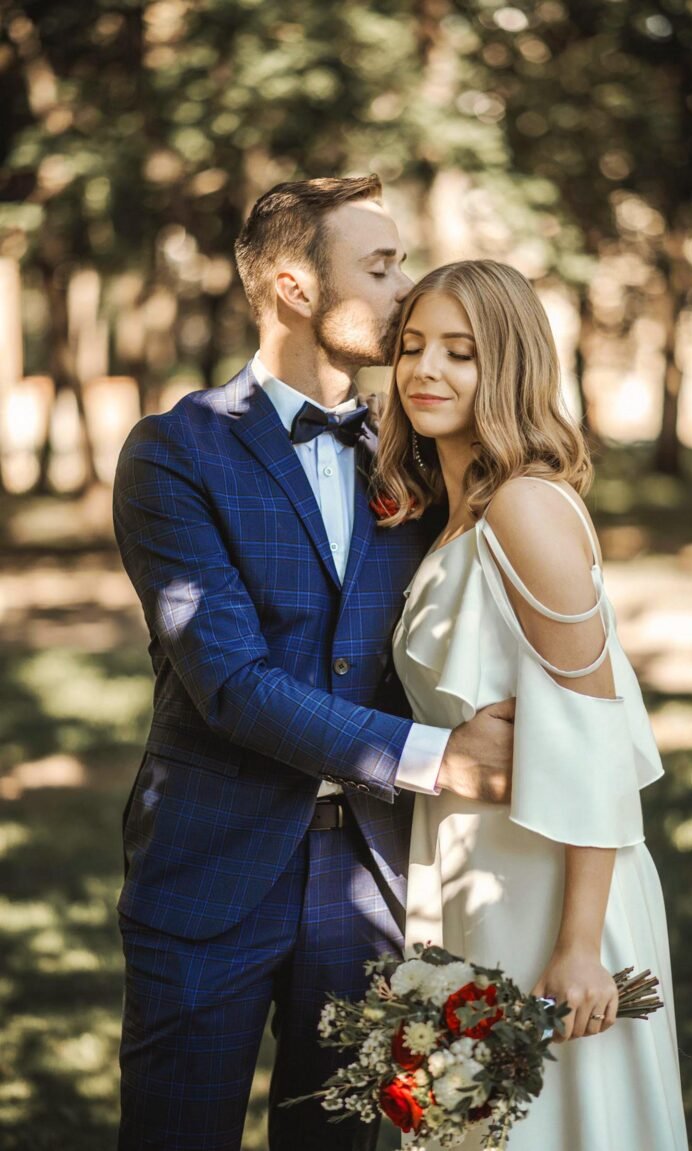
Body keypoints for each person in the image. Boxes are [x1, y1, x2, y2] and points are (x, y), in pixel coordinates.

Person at [112, 177, 517, 1151]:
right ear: (295, 286)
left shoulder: (416, 452)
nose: (405, 290)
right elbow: (232, 682)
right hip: (208, 872)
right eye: (381, 268)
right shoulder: (176, 452)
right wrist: (441, 755)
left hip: (372, 884)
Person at [375, 259, 689, 1150]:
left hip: (556, 886)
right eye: (412, 347)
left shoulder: (526, 506)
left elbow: (594, 731)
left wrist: (581, 944)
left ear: (507, 367)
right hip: (476, 870)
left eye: (460, 353)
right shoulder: (452, 514)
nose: (426, 370)